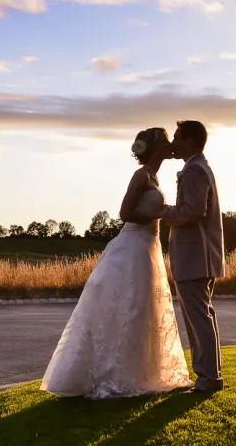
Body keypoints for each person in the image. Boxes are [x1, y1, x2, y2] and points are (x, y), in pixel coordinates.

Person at [39, 127, 192, 399]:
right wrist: (156, 213)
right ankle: (114, 374)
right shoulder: (141, 176)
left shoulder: (153, 177)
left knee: (142, 309)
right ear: (154, 147)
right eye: (165, 139)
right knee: (128, 306)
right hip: (133, 246)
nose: (170, 144)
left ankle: (140, 372)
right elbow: (125, 213)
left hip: (148, 246)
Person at [163, 120, 225, 392]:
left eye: (177, 138)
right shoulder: (201, 167)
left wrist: (164, 212)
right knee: (203, 318)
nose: (173, 143)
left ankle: (209, 379)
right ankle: (210, 376)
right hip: (201, 256)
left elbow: (194, 210)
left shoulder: (194, 170)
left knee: (199, 320)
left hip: (194, 256)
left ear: (189, 140)